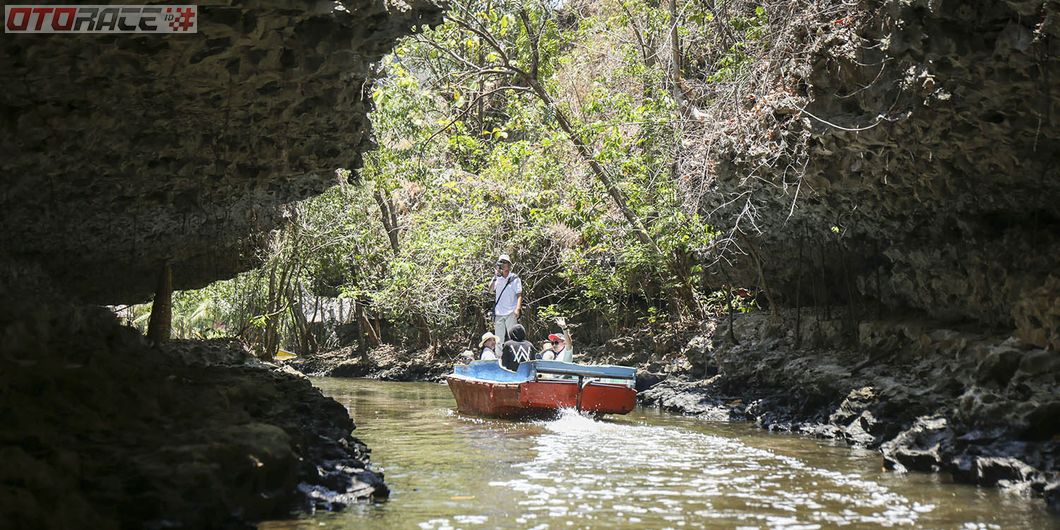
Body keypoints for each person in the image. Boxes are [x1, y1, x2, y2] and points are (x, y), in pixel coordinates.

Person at [488, 254, 522, 346]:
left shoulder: (514, 278)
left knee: (513, 336)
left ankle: (515, 355)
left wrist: (518, 309)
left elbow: (519, 294)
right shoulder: (497, 278)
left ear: (509, 264)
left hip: (511, 311)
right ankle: (499, 357)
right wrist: (495, 276)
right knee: (499, 339)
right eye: (501, 262)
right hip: (499, 312)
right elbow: (490, 290)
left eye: (505, 262)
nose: (503, 264)